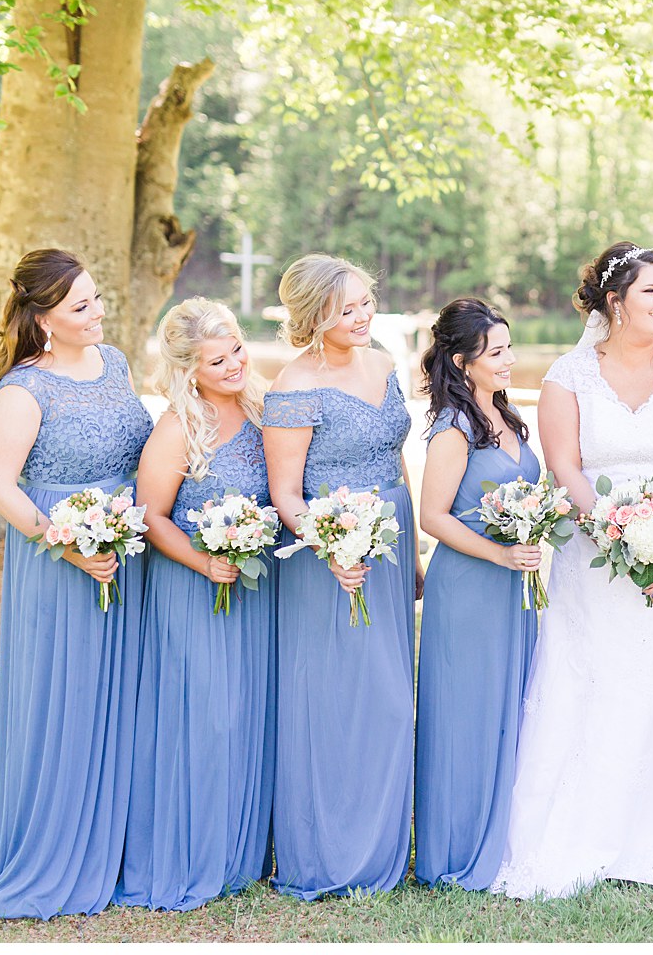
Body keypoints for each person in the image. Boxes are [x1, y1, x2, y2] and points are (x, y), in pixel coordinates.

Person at [492, 242, 653, 898]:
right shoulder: (567, 376)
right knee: (597, 677)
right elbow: (567, 468)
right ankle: (583, 828)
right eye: (651, 291)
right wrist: (612, 535)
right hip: (595, 558)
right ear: (615, 302)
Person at [0, 249, 153, 918]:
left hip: (128, 555)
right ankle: (52, 848)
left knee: (123, 698)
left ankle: (118, 841)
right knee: (64, 700)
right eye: (81, 307)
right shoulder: (25, 388)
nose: (98, 313)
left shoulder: (118, 363)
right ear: (43, 319)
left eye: (98, 299)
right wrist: (68, 545)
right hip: (59, 564)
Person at [261, 253, 421, 899]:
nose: (362, 316)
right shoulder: (292, 387)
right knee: (331, 700)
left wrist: (412, 554)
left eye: (364, 303)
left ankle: (382, 846)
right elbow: (286, 493)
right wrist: (332, 547)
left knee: (388, 698)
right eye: (345, 308)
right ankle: (325, 852)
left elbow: (397, 461)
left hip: (390, 540)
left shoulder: (383, 363)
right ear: (313, 315)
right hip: (326, 556)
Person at [116, 298, 276, 910]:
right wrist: (205, 561)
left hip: (257, 588)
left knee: (249, 710)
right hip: (193, 590)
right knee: (205, 714)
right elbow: (151, 515)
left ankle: (243, 850)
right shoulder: (178, 428)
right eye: (218, 359)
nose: (235, 363)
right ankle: (190, 847)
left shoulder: (264, 411)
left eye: (237, 347)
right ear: (188, 370)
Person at [414, 298, 542, 891]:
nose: (509, 360)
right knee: (467, 712)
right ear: (463, 363)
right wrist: (499, 554)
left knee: (510, 705)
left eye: (510, 348)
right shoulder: (454, 427)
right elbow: (433, 516)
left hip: (515, 586)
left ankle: (506, 830)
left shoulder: (507, 418)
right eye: (497, 352)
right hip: (469, 586)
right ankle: (457, 846)